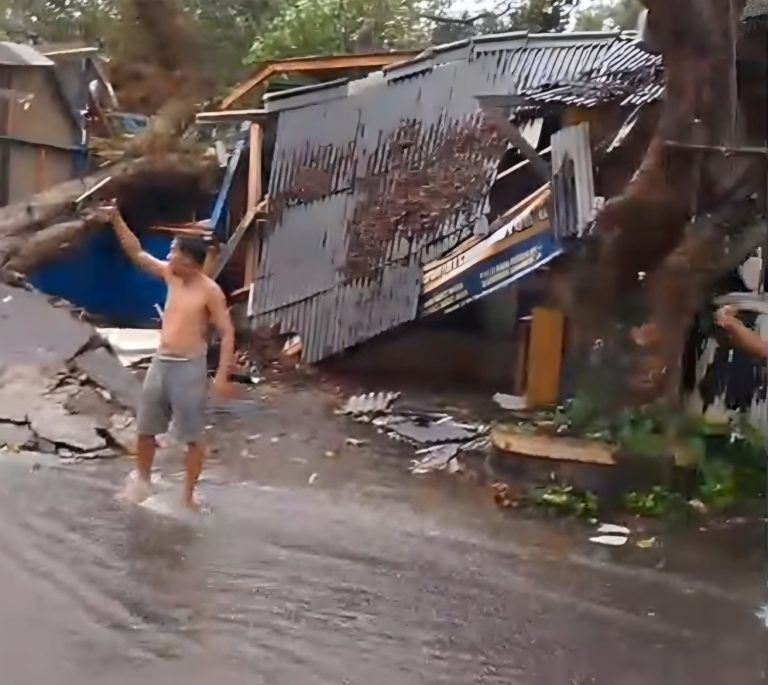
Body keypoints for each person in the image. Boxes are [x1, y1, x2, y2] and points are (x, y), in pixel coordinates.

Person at [106, 207, 236, 510]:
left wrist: (222, 376)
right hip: (161, 362)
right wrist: (115, 219)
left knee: (192, 436)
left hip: (189, 368)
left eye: (174, 252)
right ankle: (142, 478)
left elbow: (227, 333)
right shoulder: (171, 275)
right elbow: (137, 253)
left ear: (189, 261)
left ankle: (188, 496)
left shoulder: (210, 292)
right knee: (146, 428)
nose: (169, 256)